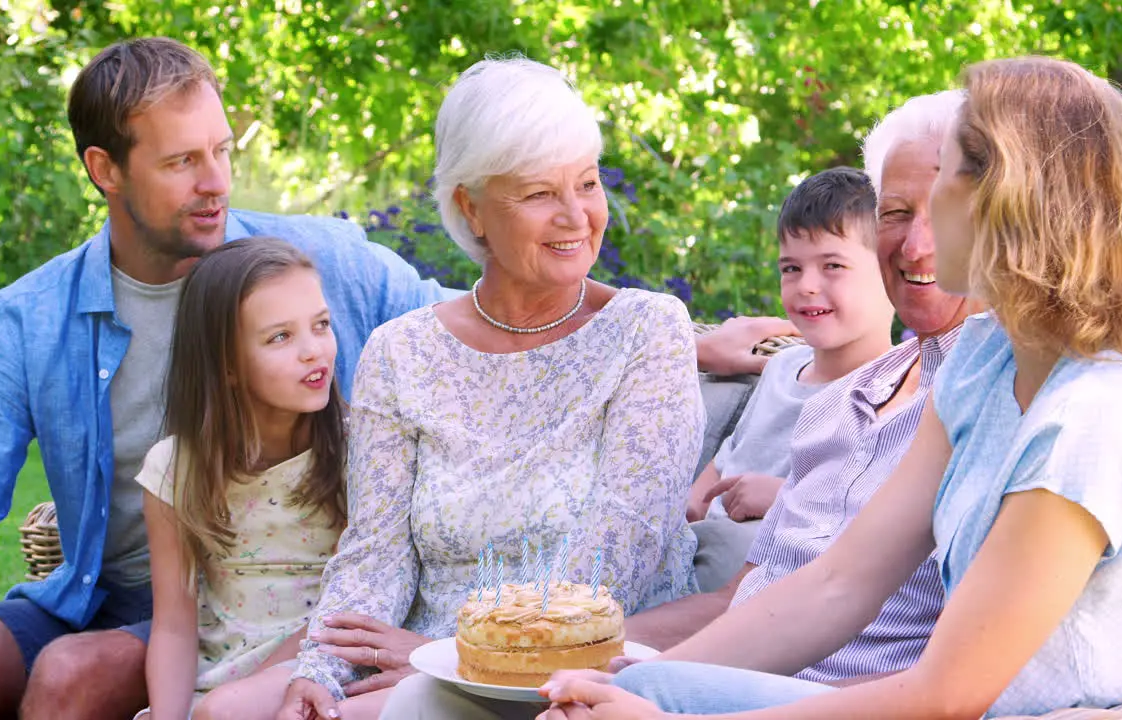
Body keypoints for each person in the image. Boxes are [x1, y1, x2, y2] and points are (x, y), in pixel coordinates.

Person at [539, 56, 1122, 720]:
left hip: (1094, 714)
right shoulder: (987, 359)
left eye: (943, 184)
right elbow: (842, 582)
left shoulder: (1095, 416)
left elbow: (943, 696)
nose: (910, 233)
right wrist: (643, 680)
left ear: (1007, 199)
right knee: (620, 697)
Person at [381, 90, 978, 720]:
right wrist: (629, 678)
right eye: (896, 212)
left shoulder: (1000, 393)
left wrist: (656, 701)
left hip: (847, 701)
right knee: (431, 699)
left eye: (943, 215)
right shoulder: (842, 403)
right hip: (745, 681)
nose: (915, 246)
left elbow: (955, 681)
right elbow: (769, 595)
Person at [0, 37, 452, 720]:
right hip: (98, 595)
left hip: (257, 608)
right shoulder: (26, 320)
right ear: (106, 169)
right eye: (183, 161)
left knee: (73, 674)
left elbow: (467, 331)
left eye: (221, 151)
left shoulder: (319, 263)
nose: (215, 181)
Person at [275, 56, 704, 720]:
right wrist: (321, 670)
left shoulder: (648, 332)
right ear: (471, 209)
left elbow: (622, 550)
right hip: (414, 660)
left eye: (587, 184)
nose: (576, 215)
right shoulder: (401, 351)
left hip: (580, 675)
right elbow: (373, 553)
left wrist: (449, 658)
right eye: (538, 194)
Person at [131, 238, 347, 720]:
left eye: (321, 325)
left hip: (322, 665)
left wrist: (240, 697)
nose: (314, 351)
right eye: (280, 337)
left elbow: (345, 605)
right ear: (226, 365)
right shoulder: (174, 470)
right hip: (216, 681)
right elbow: (172, 625)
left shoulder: (358, 453)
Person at [684, 167, 894, 587]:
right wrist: (687, 507)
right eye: (791, 268)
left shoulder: (891, 389)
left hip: (775, 574)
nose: (806, 286)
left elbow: (875, 513)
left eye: (833, 265)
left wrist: (783, 495)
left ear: (891, 270)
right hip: (705, 550)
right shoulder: (782, 367)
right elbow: (729, 456)